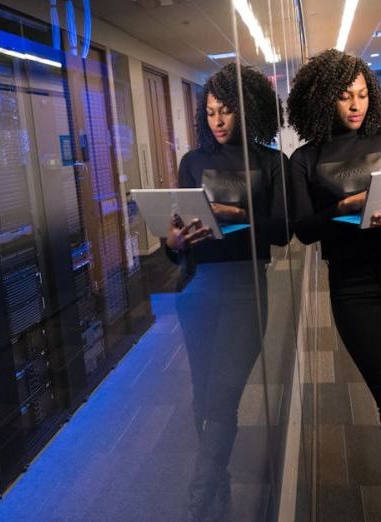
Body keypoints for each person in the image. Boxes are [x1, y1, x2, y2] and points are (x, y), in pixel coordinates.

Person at [165, 63, 289, 521]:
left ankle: (198, 501)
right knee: (203, 395)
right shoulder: (192, 162)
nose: (217, 120)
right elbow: (177, 240)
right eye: (211, 111)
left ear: (248, 109)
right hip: (198, 288)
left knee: (223, 395)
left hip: (245, 289)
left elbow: (280, 232)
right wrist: (173, 243)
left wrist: (229, 212)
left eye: (227, 111)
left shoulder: (270, 162)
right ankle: (217, 487)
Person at [287, 49, 381, 425]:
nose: (355, 105)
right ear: (325, 99)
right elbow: (304, 230)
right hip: (352, 285)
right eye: (344, 97)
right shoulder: (305, 159)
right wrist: (346, 207)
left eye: (362, 94)